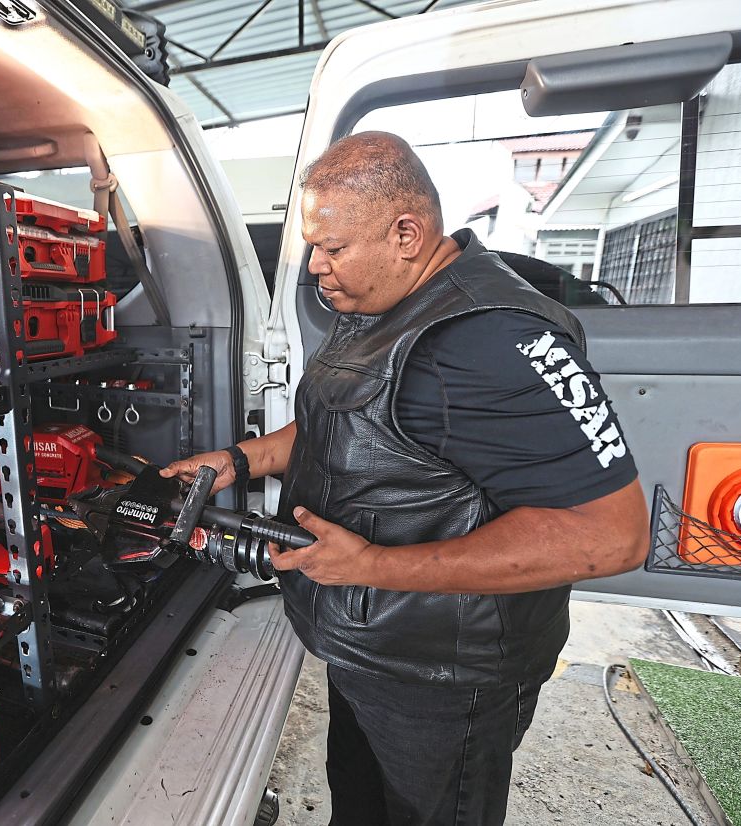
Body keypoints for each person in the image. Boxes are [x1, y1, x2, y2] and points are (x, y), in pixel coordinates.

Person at [162, 132, 649, 826]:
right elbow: (349, 419)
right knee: (360, 805)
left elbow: (611, 537)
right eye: (313, 248)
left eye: (333, 249)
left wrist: (375, 566)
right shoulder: (381, 303)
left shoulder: (491, 338)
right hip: (368, 646)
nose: (317, 268)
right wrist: (239, 461)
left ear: (406, 233)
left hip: (445, 681)